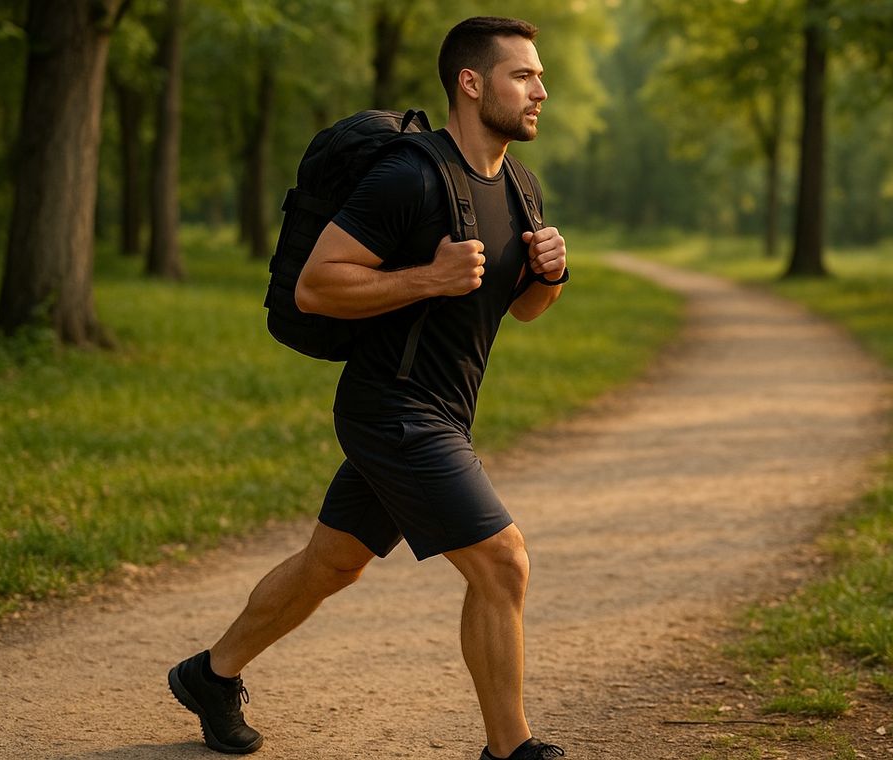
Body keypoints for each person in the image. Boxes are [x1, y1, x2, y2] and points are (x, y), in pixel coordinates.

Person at [167, 16, 568, 760]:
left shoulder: (519, 185)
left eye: (540, 76)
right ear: (470, 83)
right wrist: (428, 278)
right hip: (392, 408)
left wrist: (551, 273)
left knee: (332, 564)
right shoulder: (409, 177)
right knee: (502, 562)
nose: (541, 90)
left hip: (446, 409)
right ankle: (510, 749)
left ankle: (209, 674)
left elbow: (523, 308)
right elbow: (317, 286)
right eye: (523, 76)